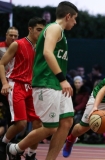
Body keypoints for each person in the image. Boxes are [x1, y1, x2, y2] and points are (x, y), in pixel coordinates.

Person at [6, 2, 78, 160]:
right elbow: (47, 52)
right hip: (47, 83)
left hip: (56, 85)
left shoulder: (60, 32)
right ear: (68, 16)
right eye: (74, 19)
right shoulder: (54, 28)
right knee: (50, 128)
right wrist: (63, 79)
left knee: (66, 122)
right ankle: (14, 148)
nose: (75, 22)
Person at [0, 17, 46, 160]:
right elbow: (1, 64)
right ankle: (3, 145)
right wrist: (5, 83)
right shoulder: (17, 44)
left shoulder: (43, 47)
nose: (41, 33)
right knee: (21, 124)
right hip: (16, 85)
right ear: (30, 29)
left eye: (43, 30)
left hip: (33, 88)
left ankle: (31, 155)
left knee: (39, 123)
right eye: (38, 29)